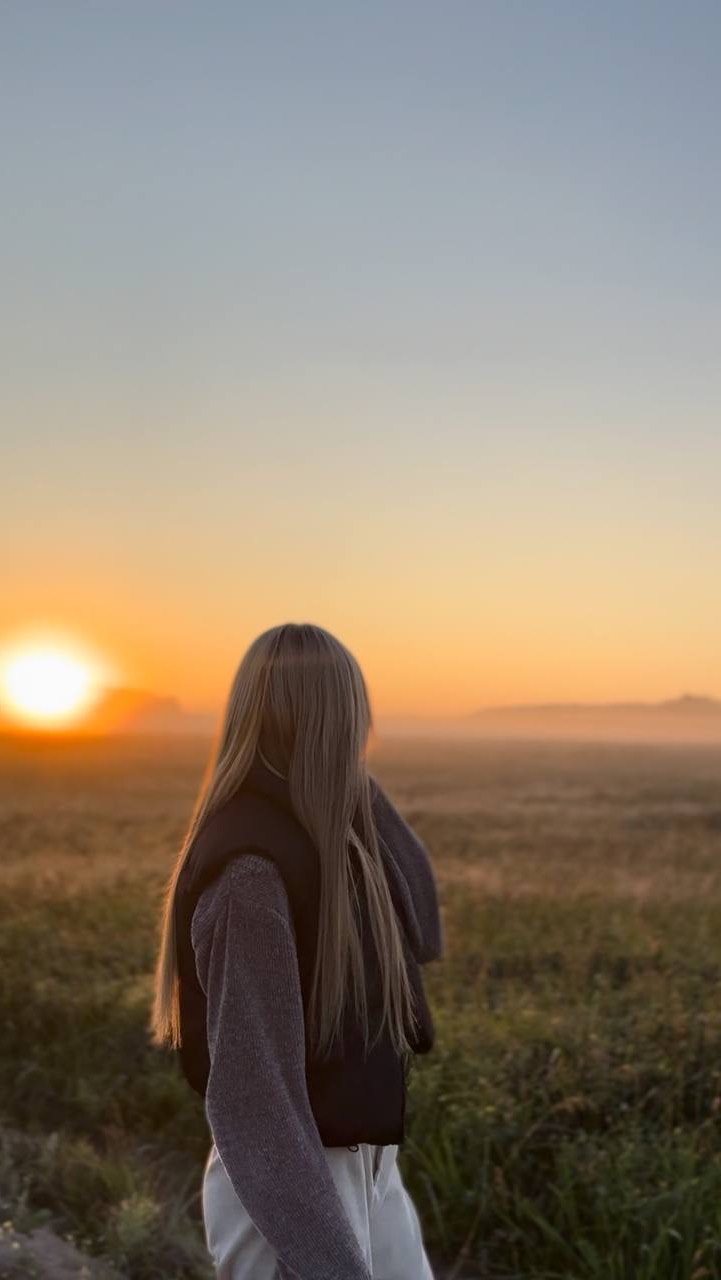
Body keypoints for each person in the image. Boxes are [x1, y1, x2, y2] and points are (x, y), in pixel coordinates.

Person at [150, 622, 444, 1279]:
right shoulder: (251, 875)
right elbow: (255, 1104)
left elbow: (422, 922)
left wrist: (347, 784)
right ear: (333, 720)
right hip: (290, 1188)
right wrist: (326, 1261)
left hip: (364, 1164)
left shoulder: (331, 836)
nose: (364, 729)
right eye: (351, 712)